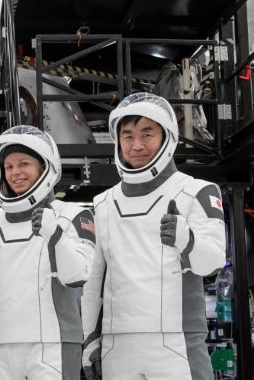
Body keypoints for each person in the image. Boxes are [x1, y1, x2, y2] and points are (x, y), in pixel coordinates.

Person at [81, 93, 226, 380]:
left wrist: (187, 241)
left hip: (177, 343)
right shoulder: (103, 204)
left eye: (147, 134)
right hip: (117, 347)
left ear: (167, 137)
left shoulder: (197, 191)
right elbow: (92, 281)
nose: (136, 145)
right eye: (127, 136)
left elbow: (213, 263)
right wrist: (90, 340)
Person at [0, 125, 96, 380]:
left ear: (44, 167)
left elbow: (79, 276)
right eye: (8, 167)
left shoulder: (73, 216)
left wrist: (56, 237)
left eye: (24, 164)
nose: (15, 173)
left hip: (54, 345)